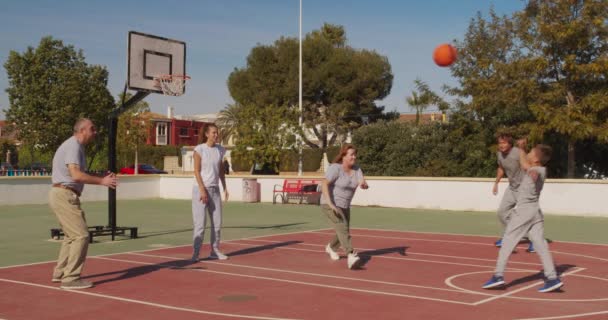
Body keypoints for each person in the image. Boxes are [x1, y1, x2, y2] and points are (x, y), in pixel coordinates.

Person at [483, 141, 563, 293]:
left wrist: (520, 149)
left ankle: (498, 276)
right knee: (540, 244)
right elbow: (525, 163)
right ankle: (552, 278)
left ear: (537, 159)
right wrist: (523, 150)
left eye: (531, 153)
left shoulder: (538, 170)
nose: (528, 155)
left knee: (507, 241)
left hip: (525, 212)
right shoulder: (535, 167)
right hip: (535, 212)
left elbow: (528, 168)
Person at [49, 118, 118, 289]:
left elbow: (76, 174)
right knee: (81, 235)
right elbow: (76, 175)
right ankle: (70, 278)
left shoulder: (74, 146)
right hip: (64, 195)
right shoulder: (73, 145)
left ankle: (61, 272)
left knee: (71, 236)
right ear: (81, 131)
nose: (95, 132)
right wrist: (102, 181)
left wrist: (100, 176)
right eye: (92, 129)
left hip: (62, 194)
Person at [321, 144, 369, 269]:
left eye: (355, 154)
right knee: (342, 227)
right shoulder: (335, 168)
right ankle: (351, 255)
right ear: (344, 156)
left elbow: (362, 182)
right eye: (351, 154)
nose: (354, 157)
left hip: (345, 205)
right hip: (330, 203)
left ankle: (331, 247)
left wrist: (364, 185)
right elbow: (324, 183)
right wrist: (330, 203)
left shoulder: (357, 169)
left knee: (344, 229)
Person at [191, 123, 229, 262]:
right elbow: (196, 170)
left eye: (217, 132)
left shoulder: (220, 149)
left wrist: (224, 187)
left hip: (215, 191)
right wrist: (202, 189)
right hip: (200, 191)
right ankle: (196, 253)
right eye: (213, 132)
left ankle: (215, 250)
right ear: (207, 134)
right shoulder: (199, 150)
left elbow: (220, 170)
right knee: (200, 225)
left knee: (217, 223)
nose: (216, 135)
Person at [492, 133, 535, 253]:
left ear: (510, 144)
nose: (501, 145)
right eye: (500, 143)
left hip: (524, 188)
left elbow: (527, 164)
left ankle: (535, 240)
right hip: (512, 188)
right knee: (502, 213)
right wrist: (496, 183)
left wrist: (523, 149)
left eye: (504, 142)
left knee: (524, 216)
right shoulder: (499, 155)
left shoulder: (517, 152)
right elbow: (501, 168)